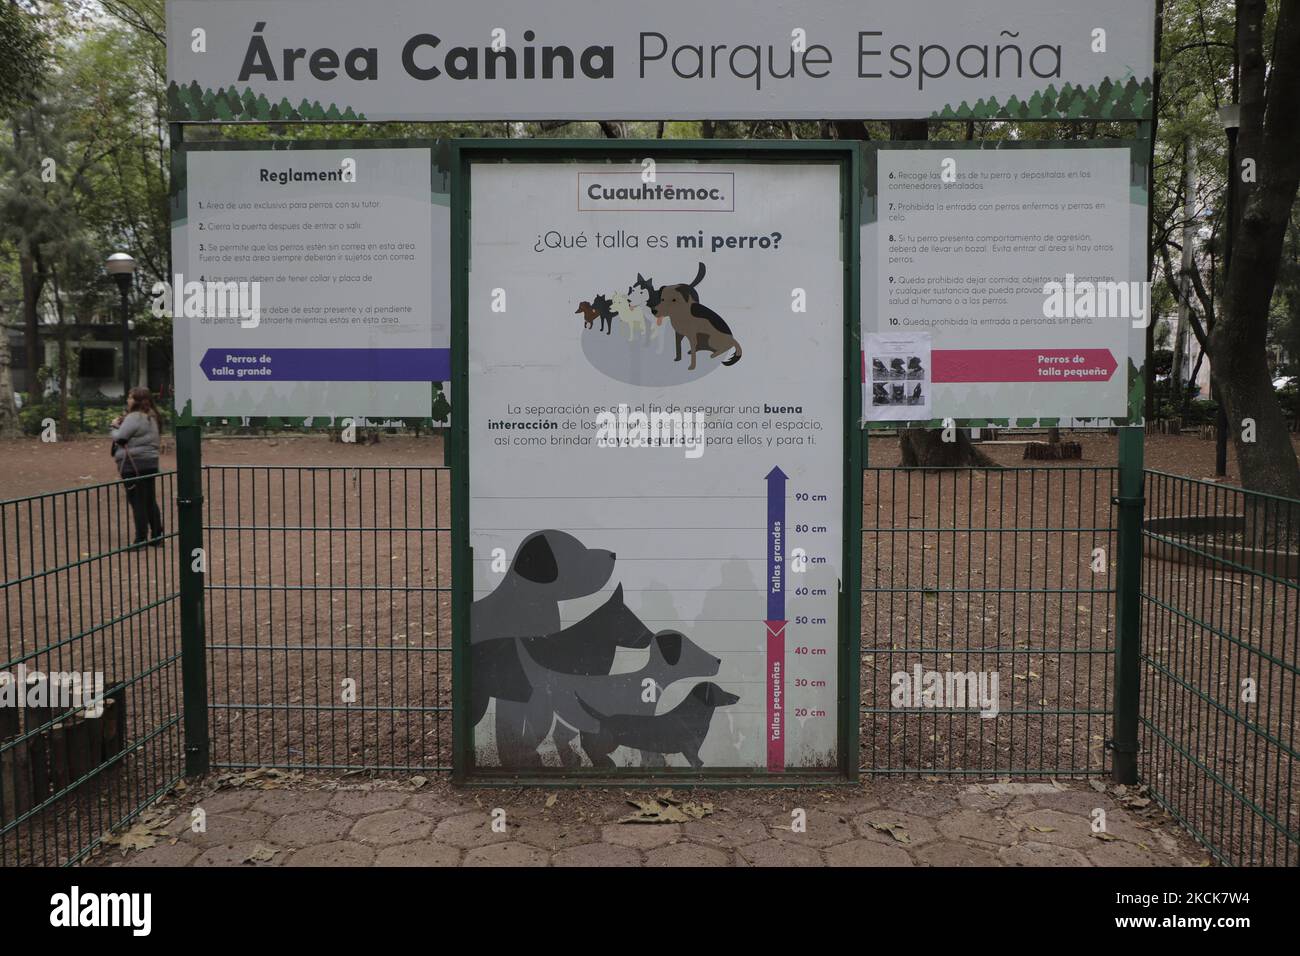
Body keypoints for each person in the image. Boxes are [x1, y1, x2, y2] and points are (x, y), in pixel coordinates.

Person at [111, 387, 164, 548]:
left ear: (137, 401)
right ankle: (157, 535)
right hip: (150, 462)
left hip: (133, 464)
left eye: (130, 397)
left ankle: (140, 538)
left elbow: (120, 438)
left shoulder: (135, 416)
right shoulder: (152, 416)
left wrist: (113, 426)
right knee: (149, 500)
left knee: (137, 500)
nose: (128, 400)